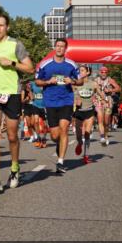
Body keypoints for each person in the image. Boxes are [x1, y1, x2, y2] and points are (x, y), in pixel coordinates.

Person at [0, 15, 34, 193]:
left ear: (7, 27)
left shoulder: (15, 45)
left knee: (12, 137)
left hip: (12, 92)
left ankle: (14, 169)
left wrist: (12, 63)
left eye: (1, 25)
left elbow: (30, 68)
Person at [36, 38, 82, 174]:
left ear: (65, 49)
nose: (59, 48)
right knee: (55, 135)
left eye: (62, 46)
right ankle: (58, 144)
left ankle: (60, 161)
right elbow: (37, 81)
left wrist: (72, 80)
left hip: (66, 101)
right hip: (50, 101)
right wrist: (48, 81)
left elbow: (80, 81)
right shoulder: (45, 64)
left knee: (64, 129)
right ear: (54, 47)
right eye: (57, 46)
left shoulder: (71, 64)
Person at [73, 64, 99, 165]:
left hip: (89, 111)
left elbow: (99, 93)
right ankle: (80, 143)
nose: (80, 72)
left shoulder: (93, 84)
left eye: (82, 70)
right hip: (79, 111)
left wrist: (104, 100)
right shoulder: (76, 83)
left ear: (88, 72)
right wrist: (75, 99)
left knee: (87, 134)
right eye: (79, 71)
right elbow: (71, 94)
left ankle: (86, 155)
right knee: (79, 136)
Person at [94, 66, 120, 146]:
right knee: (100, 119)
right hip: (98, 101)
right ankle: (102, 137)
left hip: (108, 102)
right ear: (99, 72)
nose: (103, 73)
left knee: (106, 122)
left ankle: (106, 135)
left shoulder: (110, 80)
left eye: (105, 72)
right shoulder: (95, 80)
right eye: (102, 72)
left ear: (107, 73)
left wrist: (110, 90)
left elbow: (118, 88)